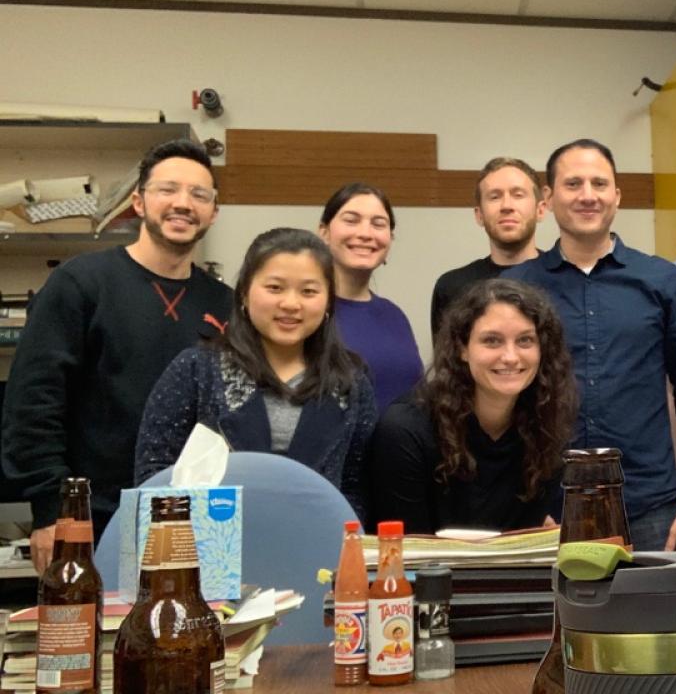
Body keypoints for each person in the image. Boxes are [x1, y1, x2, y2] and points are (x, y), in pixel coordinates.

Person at [1, 139, 233, 571]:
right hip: (91, 520)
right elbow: (33, 404)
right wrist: (51, 510)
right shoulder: (81, 283)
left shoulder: (224, 303)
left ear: (213, 212)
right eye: (168, 189)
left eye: (199, 194)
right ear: (138, 202)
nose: (183, 203)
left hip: (196, 521)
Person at [505, 139, 676, 553]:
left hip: (650, 508)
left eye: (599, 184)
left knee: (651, 601)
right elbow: (498, 401)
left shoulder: (662, 280)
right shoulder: (518, 288)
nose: (588, 195)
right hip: (547, 511)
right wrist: (522, 505)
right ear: (548, 197)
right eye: (573, 184)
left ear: (617, 196)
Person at [135, 228, 377, 520]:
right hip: (210, 539)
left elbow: (357, 489)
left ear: (328, 302)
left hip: (318, 539)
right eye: (275, 287)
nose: (291, 304)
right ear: (245, 294)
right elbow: (154, 476)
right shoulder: (197, 369)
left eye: (309, 291)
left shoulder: (350, 382)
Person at [368, 279, 576, 534]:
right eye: (492, 341)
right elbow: (407, 549)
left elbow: (524, 541)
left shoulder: (548, 424)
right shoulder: (405, 430)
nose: (511, 357)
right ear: (462, 348)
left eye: (525, 340)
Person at [318, 182, 423, 412]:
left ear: (390, 238)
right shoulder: (308, 313)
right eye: (351, 220)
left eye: (378, 224)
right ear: (324, 232)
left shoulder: (394, 315)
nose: (365, 234)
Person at [430, 157, 545, 338]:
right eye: (495, 197)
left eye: (518, 195)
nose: (507, 206)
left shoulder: (566, 280)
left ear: (540, 210)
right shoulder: (452, 287)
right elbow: (446, 355)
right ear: (479, 215)